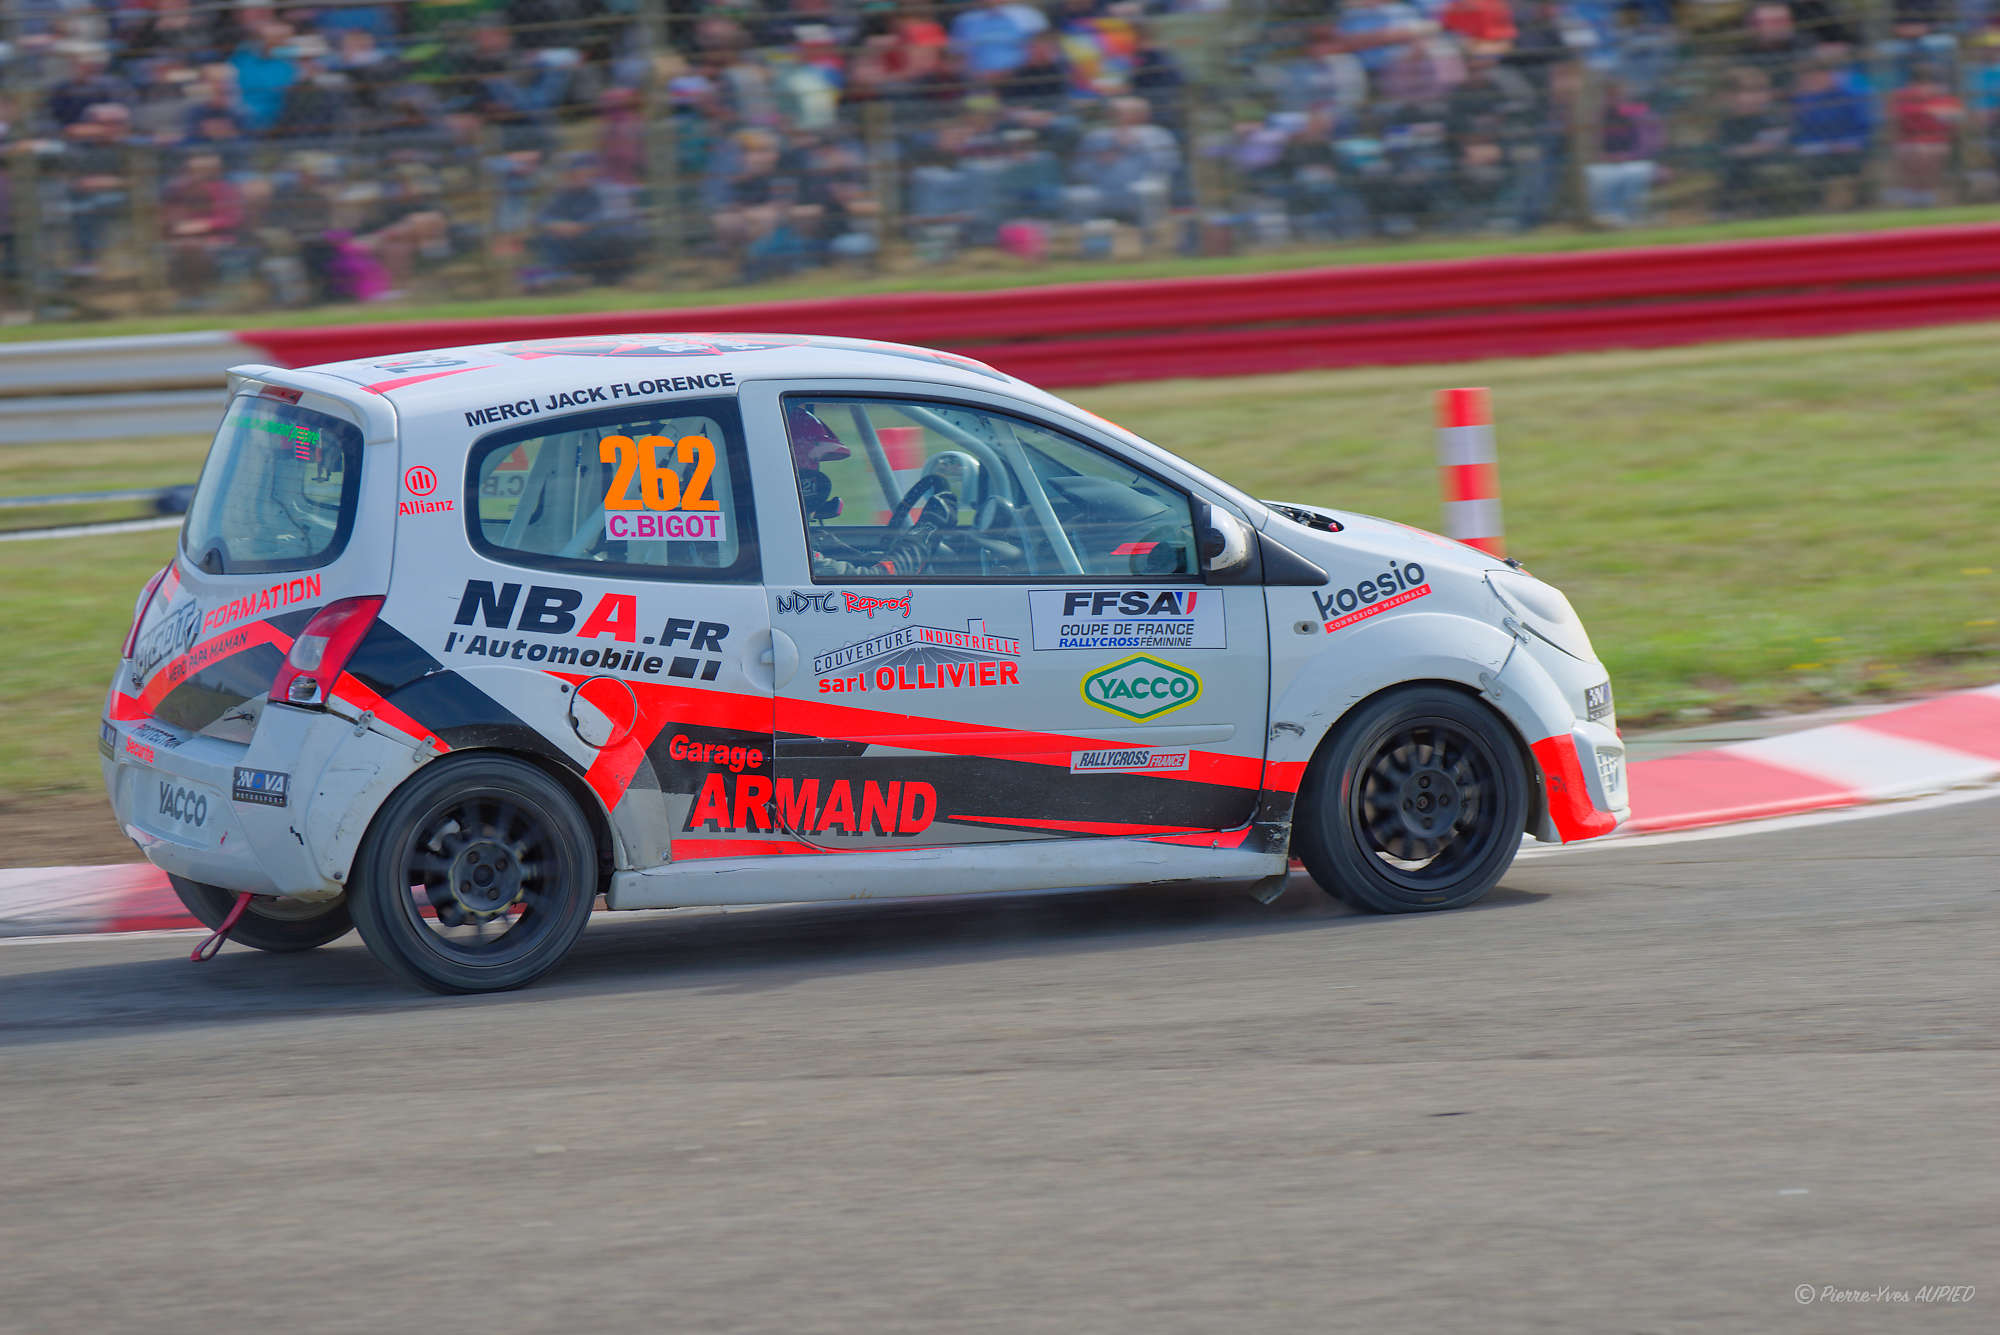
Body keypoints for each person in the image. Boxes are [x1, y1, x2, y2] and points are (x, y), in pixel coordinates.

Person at [790, 407, 956, 578]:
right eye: (813, 470)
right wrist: (927, 529)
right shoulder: (791, 550)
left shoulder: (799, 542)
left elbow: (863, 564)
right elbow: (879, 578)